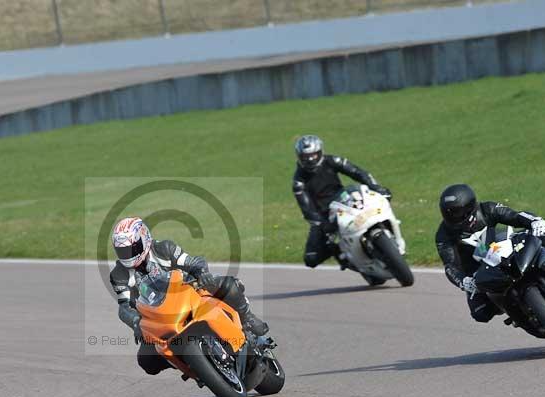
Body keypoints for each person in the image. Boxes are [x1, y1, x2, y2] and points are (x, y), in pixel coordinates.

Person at [109, 217, 269, 375]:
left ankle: (247, 317)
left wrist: (202, 273)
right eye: (122, 251)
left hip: (188, 291)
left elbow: (193, 262)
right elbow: (124, 306)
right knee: (146, 361)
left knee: (228, 286)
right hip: (157, 318)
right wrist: (135, 322)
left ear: (145, 238)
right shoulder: (118, 275)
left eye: (132, 249)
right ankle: (189, 361)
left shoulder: (164, 248)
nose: (127, 255)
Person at [436, 183, 545, 323]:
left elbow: (514, 216)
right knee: (480, 312)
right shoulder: (443, 235)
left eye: (456, 212)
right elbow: (450, 266)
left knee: (541, 238)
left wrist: (535, 222)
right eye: (448, 213)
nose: (453, 217)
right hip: (477, 271)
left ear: (470, 207)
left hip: (502, 247)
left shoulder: (487, 209)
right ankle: (516, 313)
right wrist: (464, 281)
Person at [292, 135, 391, 270]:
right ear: (299, 156)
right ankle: (342, 254)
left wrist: (374, 186)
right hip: (323, 216)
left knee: (376, 200)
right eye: (306, 156)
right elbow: (307, 209)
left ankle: (388, 233)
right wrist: (320, 224)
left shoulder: (332, 160)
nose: (310, 159)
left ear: (320, 152)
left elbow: (357, 172)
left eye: (313, 155)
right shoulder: (298, 181)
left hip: (344, 199)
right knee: (311, 258)